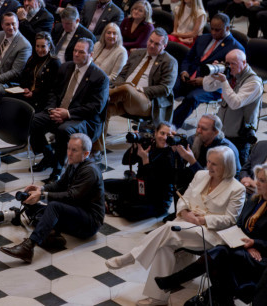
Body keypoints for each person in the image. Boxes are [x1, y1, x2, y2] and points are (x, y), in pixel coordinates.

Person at [106, 146, 244, 306]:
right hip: (184, 224)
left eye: (214, 164)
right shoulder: (200, 175)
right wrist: (185, 214)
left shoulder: (237, 188)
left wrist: (203, 220)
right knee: (163, 247)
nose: (208, 166)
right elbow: (183, 197)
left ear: (226, 166)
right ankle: (157, 298)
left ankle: (131, 257)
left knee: (168, 229)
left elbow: (230, 219)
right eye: (208, 161)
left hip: (210, 233)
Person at [156, 163, 267, 305]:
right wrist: (247, 244)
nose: (256, 182)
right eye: (258, 178)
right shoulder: (254, 200)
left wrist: (255, 243)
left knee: (219, 254)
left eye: (262, 180)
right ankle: (220, 298)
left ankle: (175, 281)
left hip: (261, 257)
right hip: (244, 246)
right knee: (218, 255)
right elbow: (239, 225)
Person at [0, 134, 105, 263]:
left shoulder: (90, 171)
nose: (69, 153)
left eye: (74, 150)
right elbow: (60, 185)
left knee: (54, 206)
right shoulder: (74, 164)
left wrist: (43, 196)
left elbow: (72, 196)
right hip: (76, 212)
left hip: (89, 222)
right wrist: (40, 189)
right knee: (31, 207)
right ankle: (50, 235)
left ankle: (28, 248)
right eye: (69, 148)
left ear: (86, 153)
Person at [31, 38, 109, 182]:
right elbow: (54, 92)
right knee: (33, 120)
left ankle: (58, 169)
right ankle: (49, 156)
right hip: (60, 111)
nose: (76, 54)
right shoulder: (65, 67)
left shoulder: (100, 77)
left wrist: (68, 114)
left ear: (91, 54)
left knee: (63, 130)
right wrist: (52, 109)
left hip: (84, 119)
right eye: (75, 51)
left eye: (81, 52)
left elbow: (95, 107)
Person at [171, 13, 244, 128]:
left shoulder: (235, 48)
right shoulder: (203, 38)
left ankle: (171, 126)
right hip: (189, 77)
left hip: (212, 86)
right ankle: (157, 120)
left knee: (192, 98)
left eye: (217, 30)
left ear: (227, 28)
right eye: (212, 29)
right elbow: (188, 59)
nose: (213, 32)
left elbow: (232, 75)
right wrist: (184, 71)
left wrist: (204, 81)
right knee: (168, 88)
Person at [105, 122, 180, 221]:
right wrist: (134, 146)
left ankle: (115, 203)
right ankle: (115, 201)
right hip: (139, 187)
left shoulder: (171, 155)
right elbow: (125, 161)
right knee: (105, 183)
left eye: (168, 135)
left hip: (157, 199)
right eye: (162, 133)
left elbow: (153, 182)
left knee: (132, 212)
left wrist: (145, 160)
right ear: (155, 133)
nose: (165, 138)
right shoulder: (148, 145)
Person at [106, 28, 177, 129]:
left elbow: (165, 88)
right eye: (150, 41)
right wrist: (120, 86)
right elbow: (121, 76)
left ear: (164, 46)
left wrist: (140, 90)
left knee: (126, 88)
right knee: (104, 109)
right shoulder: (137, 53)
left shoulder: (169, 62)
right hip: (122, 96)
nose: (152, 46)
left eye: (157, 44)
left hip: (146, 101)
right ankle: (97, 144)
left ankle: (102, 95)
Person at [205, 49, 263, 165]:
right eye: (227, 63)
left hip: (240, 136)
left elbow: (235, 103)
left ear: (244, 62)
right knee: (221, 165)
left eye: (233, 64)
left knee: (237, 168)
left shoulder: (254, 83)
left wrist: (224, 81)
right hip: (223, 131)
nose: (229, 67)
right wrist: (213, 74)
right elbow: (208, 87)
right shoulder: (231, 74)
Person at [0, 12, 31, 93]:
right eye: (7, 24)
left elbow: (15, 72)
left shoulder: (24, 45)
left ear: (18, 24)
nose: (11, 27)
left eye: (13, 24)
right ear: (2, 25)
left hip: (3, 83)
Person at [18, 31, 61, 111]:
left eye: (43, 46)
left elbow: (52, 88)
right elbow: (24, 77)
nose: (39, 49)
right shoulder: (32, 59)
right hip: (27, 94)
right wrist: (25, 88)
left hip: (42, 99)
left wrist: (34, 94)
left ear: (50, 47)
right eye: (37, 46)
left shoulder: (55, 63)